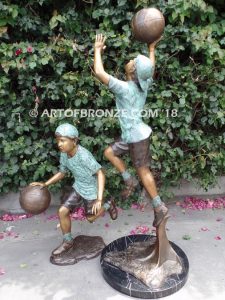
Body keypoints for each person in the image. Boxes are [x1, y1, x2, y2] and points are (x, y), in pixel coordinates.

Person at [94, 34, 168, 227]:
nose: (131, 60)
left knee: (143, 170)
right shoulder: (144, 85)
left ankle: (159, 206)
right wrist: (151, 50)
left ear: (133, 71)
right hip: (130, 134)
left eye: (133, 61)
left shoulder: (124, 88)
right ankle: (129, 180)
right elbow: (150, 70)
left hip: (137, 136)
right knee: (109, 152)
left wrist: (97, 50)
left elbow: (100, 73)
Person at [30, 123, 117, 256]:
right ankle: (68, 241)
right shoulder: (64, 154)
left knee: (91, 218)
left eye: (63, 141)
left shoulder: (84, 155)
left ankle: (108, 204)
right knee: (62, 211)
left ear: (74, 141)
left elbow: (100, 173)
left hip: (91, 190)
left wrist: (99, 199)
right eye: (58, 141)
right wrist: (45, 184)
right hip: (78, 186)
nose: (59, 144)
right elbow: (62, 172)